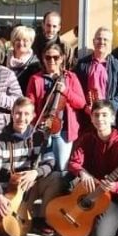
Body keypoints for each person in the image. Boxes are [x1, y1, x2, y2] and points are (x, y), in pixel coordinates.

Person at [0, 97, 62, 236]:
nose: (21, 118)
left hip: (31, 186)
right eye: (18, 113)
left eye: (26, 114)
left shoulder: (40, 136)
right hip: (8, 188)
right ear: (12, 114)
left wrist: (36, 172)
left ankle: (41, 220)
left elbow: (50, 162)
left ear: (33, 116)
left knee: (56, 177)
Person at [67, 100, 118, 236]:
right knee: (66, 181)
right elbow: (73, 162)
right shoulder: (87, 138)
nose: (100, 119)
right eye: (96, 115)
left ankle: (112, 222)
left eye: (104, 115)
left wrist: (114, 186)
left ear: (112, 118)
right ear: (91, 118)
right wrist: (83, 173)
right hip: (90, 193)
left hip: (114, 200)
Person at [26, 43, 86, 172]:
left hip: (63, 131)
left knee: (61, 168)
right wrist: (37, 120)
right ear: (43, 58)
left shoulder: (70, 77)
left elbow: (81, 103)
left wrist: (66, 91)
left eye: (55, 57)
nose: (52, 61)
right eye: (48, 57)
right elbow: (29, 106)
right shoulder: (35, 79)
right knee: (40, 167)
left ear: (62, 58)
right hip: (42, 130)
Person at [74, 27, 118, 121]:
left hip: (106, 116)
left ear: (110, 44)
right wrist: (84, 106)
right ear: (93, 41)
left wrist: (110, 106)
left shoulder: (116, 65)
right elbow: (75, 89)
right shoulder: (82, 64)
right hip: (86, 114)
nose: (101, 42)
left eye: (105, 39)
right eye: (98, 39)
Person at [5, 25, 42, 93]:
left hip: (25, 101)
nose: (21, 43)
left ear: (31, 42)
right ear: (13, 41)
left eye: (25, 40)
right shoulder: (4, 60)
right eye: (18, 40)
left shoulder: (36, 65)